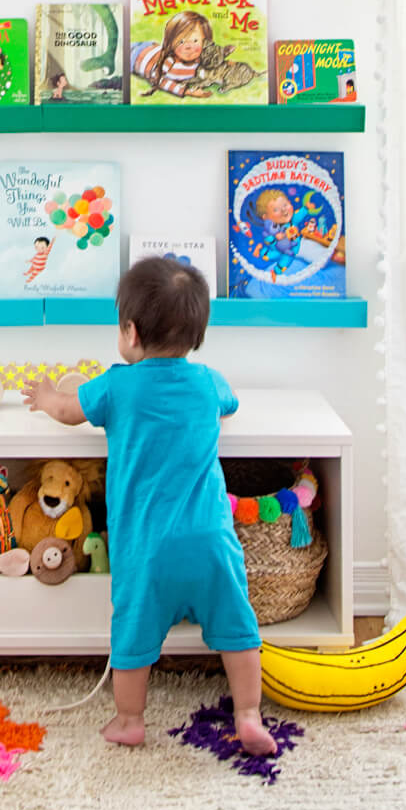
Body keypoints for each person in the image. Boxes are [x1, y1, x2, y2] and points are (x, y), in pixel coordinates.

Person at [22, 256, 277, 753]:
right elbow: (231, 404)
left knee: (134, 633)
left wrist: (49, 394)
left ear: (130, 332)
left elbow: (69, 413)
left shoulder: (116, 386)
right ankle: (248, 713)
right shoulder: (207, 382)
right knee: (237, 626)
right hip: (210, 541)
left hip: (145, 549)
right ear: (196, 336)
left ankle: (129, 719)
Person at [130, 9, 214, 99]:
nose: (188, 46)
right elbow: (159, 80)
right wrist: (187, 92)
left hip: (153, 47)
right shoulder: (170, 62)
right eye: (181, 41)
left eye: (195, 41)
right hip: (136, 55)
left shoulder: (202, 59)